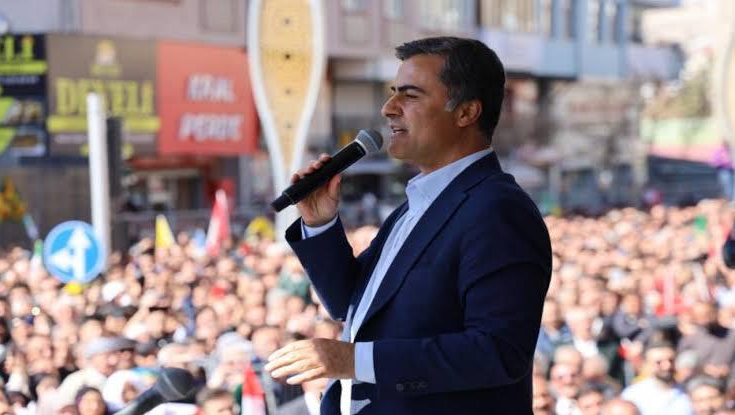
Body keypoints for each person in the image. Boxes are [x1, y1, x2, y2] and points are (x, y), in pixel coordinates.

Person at [265, 36, 552, 414]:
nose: (388, 108)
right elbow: (354, 305)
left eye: (410, 95)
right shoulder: (418, 205)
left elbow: (498, 352)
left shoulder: (497, 210)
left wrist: (354, 360)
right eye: (392, 93)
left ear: (466, 112)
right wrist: (320, 223)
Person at [620, 339, 693, 415]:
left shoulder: (690, 392)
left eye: (671, 360)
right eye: (659, 362)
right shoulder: (633, 396)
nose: (667, 366)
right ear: (646, 364)